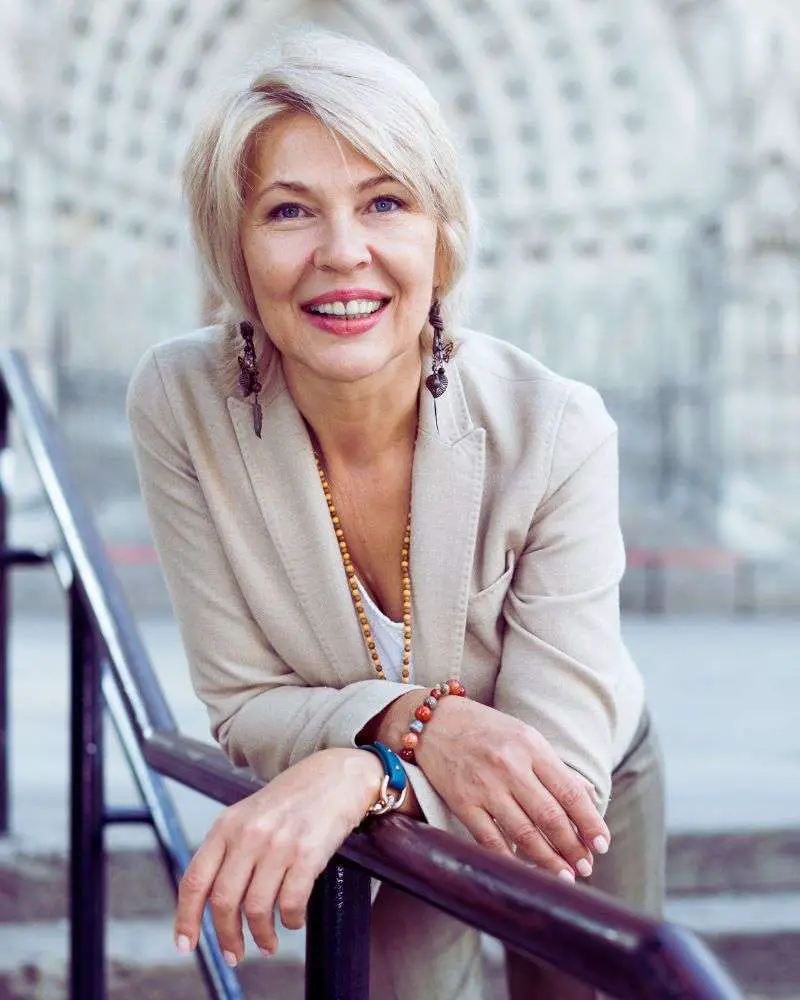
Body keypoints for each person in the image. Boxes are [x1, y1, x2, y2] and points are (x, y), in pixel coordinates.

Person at [127, 28, 665, 1000]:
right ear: (233, 252)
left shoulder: (555, 428)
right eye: (288, 210)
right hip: (397, 783)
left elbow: (562, 776)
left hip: (574, 769)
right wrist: (413, 730)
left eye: (385, 201)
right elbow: (244, 704)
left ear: (440, 238)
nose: (343, 252)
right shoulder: (182, 402)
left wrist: (365, 768)